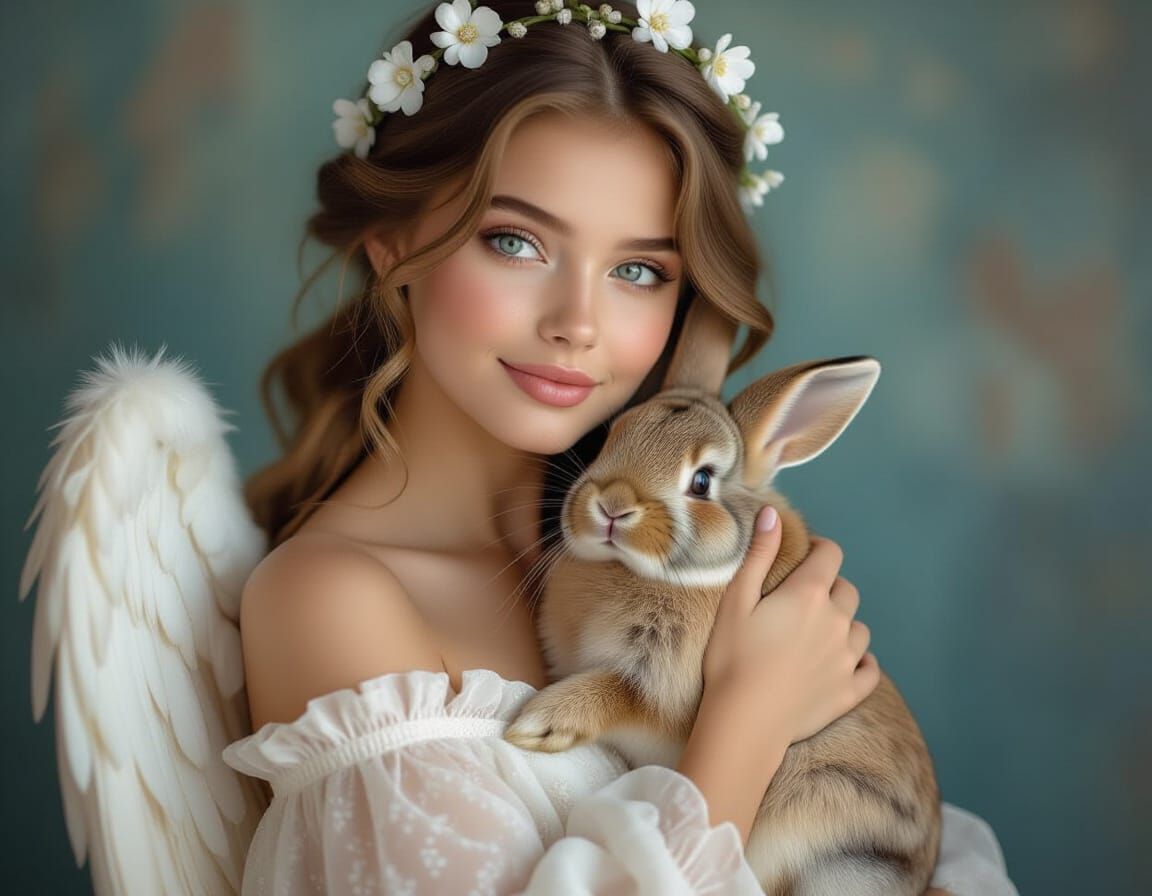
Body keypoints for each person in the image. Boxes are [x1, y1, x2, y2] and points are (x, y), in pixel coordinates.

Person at [222, 2, 1018, 892]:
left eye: (639, 271)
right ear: (394, 245)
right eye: (515, 242)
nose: (578, 325)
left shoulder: (634, 544)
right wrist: (749, 718)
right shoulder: (328, 600)